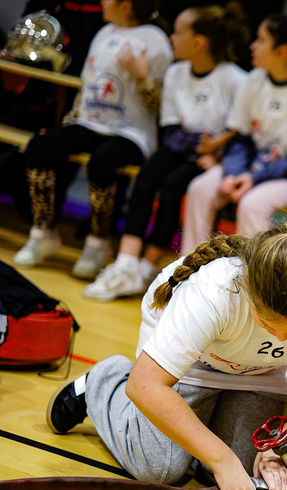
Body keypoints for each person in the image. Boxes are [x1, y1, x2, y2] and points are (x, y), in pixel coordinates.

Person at [46, 224, 287, 490]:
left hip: (264, 374)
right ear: (250, 293)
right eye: (268, 325)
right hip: (190, 368)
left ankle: (206, 430)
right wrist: (221, 458)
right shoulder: (214, 290)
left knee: (249, 471)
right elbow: (146, 385)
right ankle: (105, 379)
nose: (282, 339)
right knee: (159, 467)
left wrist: (277, 450)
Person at [83, 4, 249, 301]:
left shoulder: (235, 79)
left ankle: (148, 266)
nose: (171, 38)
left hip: (213, 161)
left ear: (198, 42)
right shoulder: (176, 73)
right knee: (147, 176)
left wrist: (215, 152)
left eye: (178, 32)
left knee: (173, 186)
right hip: (181, 147)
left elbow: (239, 132)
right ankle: (126, 263)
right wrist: (203, 143)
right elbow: (171, 130)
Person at [12, 0, 172, 280]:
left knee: (103, 161)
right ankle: (43, 231)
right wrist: (68, 123)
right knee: (41, 146)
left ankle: (98, 241)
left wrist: (143, 76)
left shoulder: (155, 40)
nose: (102, 2)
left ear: (126, 5)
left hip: (131, 132)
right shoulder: (104, 32)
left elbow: (161, 105)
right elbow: (86, 86)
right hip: (91, 122)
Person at [180, 13, 287, 254]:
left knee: (252, 204)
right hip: (252, 169)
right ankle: (192, 265)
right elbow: (241, 138)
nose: (253, 46)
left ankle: (251, 275)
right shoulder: (254, 79)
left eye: (261, 40)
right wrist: (233, 173)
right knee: (200, 189)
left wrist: (253, 178)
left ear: (281, 51)